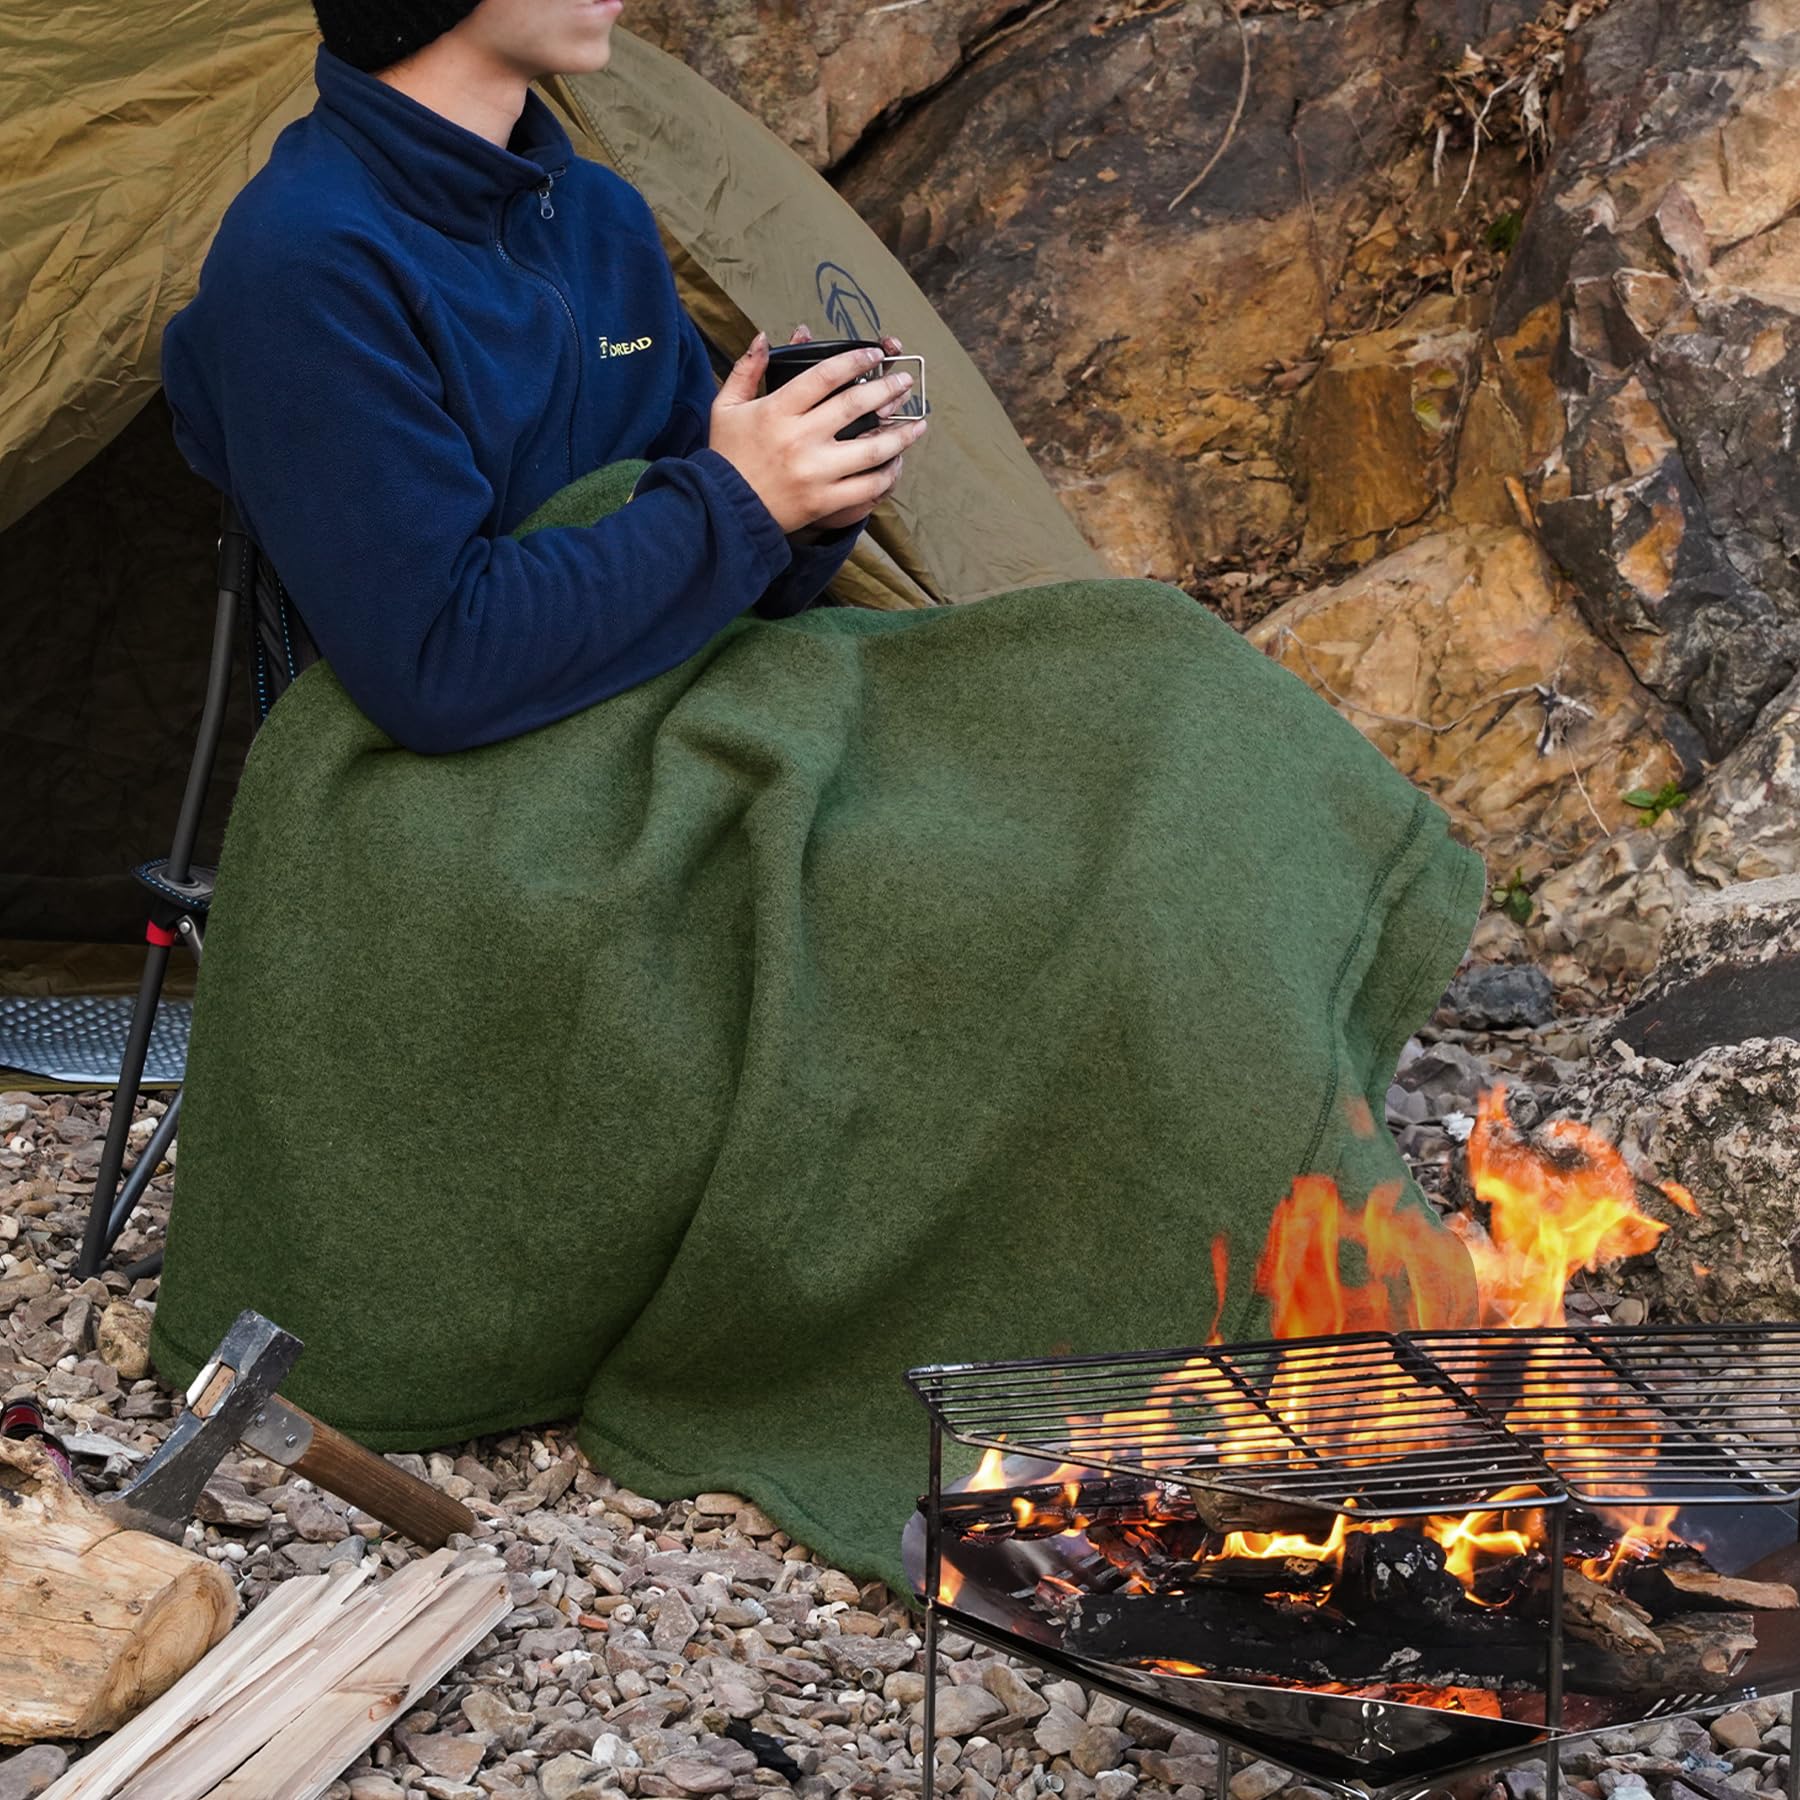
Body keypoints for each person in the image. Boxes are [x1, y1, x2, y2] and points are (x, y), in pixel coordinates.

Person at [159, 0, 930, 755]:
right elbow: (438, 663)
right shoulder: (306, 263)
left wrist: (807, 505)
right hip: (471, 785)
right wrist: (738, 503)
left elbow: (718, 556)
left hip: (681, 705)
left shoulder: (601, 215)